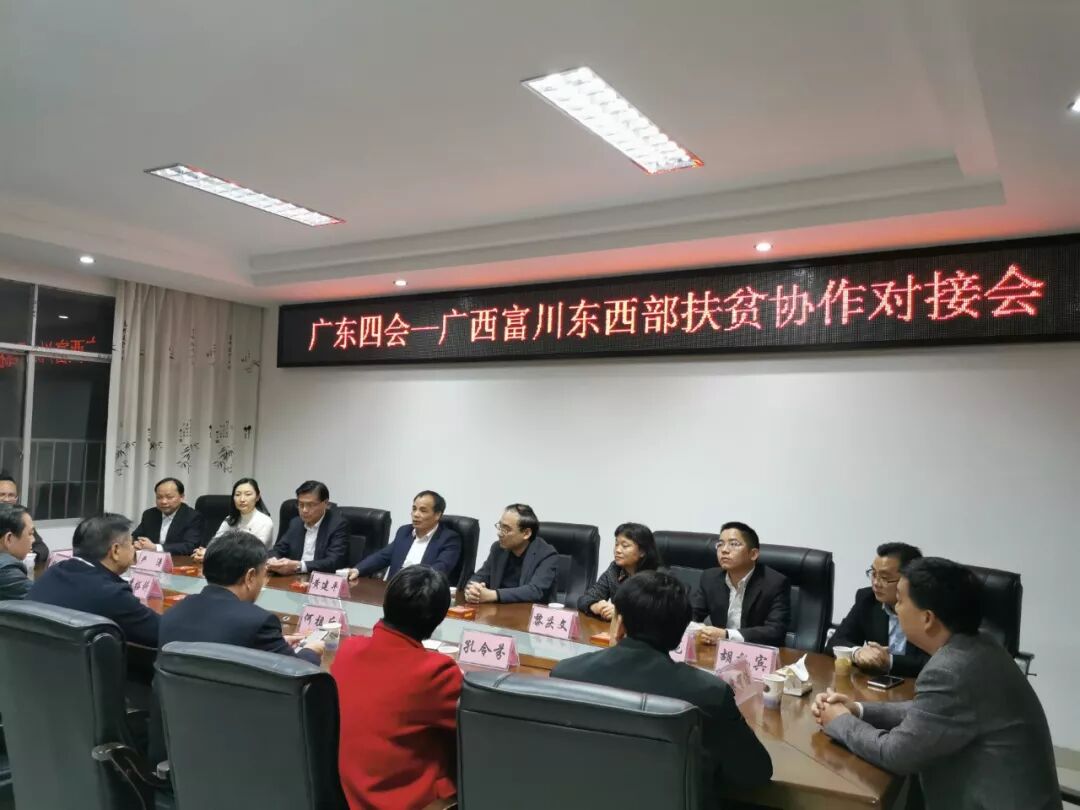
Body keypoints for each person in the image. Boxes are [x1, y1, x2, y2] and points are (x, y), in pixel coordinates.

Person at [814, 558, 1060, 810]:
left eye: (900, 601)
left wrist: (840, 721)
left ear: (927, 618)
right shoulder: (981, 645)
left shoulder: (951, 669)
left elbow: (896, 754)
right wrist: (858, 709)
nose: (895, 608)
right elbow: (926, 711)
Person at [553, 571, 772, 801]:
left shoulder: (565, 674)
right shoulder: (709, 692)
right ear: (679, 636)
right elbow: (754, 772)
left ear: (619, 625)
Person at [332, 566, 460, 810]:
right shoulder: (436, 672)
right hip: (405, 802)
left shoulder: (349, 648)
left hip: (346, 793)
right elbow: (474, 727)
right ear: (439, 618)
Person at [159, 529, 324, 663]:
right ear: (250, 576)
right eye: (264, 574)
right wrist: (310, 650)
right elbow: (296, 671)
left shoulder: (174, 611)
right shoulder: (258, 622)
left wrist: (275, 643)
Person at [29, 513, 160, 647]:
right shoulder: (112, 594)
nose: (134, 549)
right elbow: (162, 632)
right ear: (115, 550)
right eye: (131, 544)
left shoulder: (53, 572)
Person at [826, 542, 930, 676]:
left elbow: (935, 662)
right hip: (875, 684)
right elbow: (835, 642)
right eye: (873, 574)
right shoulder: (867, 599)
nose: (875, 583)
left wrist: (890, 661)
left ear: (909, 580)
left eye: (884, 577)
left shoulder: (929, 610)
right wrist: (857, 652)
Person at [690, 521, 790, 646]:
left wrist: (726, 635)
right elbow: (691, 615)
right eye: (720, 544)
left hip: (755, 652)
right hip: (718, 651)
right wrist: (698, 629)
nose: (724, 550)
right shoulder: (709, 578)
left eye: (734, 544)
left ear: (753, 554)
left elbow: (775, 632)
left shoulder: (775, 583)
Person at [348, 490, 461, 582]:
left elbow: (439, 569)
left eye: (423, 511)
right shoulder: (404, 531)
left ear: (437, 515)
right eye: (414, 509)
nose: (416, 514)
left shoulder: (449, 539)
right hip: (393, 590)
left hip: (423, 592)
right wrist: (358, 570)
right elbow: (382, 556)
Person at [466, 503, 558, 604]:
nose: (499, 533)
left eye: (506, 529)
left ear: (526, 533)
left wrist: (494, 595)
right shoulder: (498, 549)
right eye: (500, 526)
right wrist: (473, 590)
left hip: (527, 610)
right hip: (498, 610)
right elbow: (479, 577)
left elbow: (535, 590)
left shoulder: (546, 554)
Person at [577, 522, 661, 619]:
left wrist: (620, 613)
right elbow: (585, 598)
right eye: (616, 544)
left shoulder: (658, 578)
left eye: (625, 546)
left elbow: (654, 614)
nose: (617, 550)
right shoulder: (614, 570)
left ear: (642, 551)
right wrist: (596, 606)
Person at [268, 480, 348, 574]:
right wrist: (273, 560)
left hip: (319, 578)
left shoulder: (337, 525)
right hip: (294, 578)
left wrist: (299, 566)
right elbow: (278, 549)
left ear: (325, 503)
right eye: (301, 505)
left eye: (310, 505)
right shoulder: (296, 523)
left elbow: (333, 562)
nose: (304, 510)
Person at [194, 477, 274, 560]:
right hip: (226, 563)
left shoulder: (265, 521)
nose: (242, 499)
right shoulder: (230, 519)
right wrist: (207, 552)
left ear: (257, 497)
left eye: (248, 494)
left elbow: (251, 553)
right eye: (238, 495)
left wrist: (212, 555)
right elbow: (214, 543)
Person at [131, 477, 205, 556]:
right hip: (151, 560)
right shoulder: (150, 514)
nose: (164, 501)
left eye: (169, 497)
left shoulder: (193, 517)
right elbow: (136, 536)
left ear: (182, 497)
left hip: (178, 561)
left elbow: (190, 546)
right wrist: (136, 543)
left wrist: (156, 548)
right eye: (159, 497)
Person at [0, 473, 49, 564]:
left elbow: (42, 549)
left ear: (16, 499)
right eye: (2, 494)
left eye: (11, 495)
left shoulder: (21, 517)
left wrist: (28, 555)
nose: (6, 499)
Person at [0, 503, 35, 600]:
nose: (33, 540)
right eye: (30, 533)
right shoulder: (6, 571)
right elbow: (43, 599)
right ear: (9, 539)